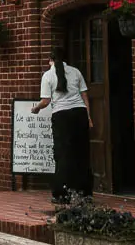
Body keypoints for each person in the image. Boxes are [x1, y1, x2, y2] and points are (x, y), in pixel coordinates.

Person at [33, 47, 93, 203]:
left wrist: (36, 108)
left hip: (62, 116)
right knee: (82, 153)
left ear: (50, 59)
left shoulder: (47, 76)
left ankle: (61, 194)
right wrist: (89, 117)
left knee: (62, 154)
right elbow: (84, 95)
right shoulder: (75, 71)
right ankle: (85, 193)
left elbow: (46, 101)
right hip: (80, 114)